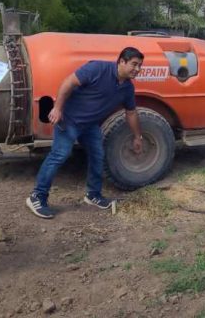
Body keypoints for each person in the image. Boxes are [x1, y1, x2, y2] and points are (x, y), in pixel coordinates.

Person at [26, 47, 144, 219]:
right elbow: (68, 83)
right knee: (60, 154)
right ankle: (37, 196)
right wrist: (57, 108)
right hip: (69, 120)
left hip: (90, 125)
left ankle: (93, 195)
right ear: (121, 61)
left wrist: (137, 136)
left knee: (98, 154)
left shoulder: (127, 88)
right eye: (134, 64)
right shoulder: (97, 69)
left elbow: (131, 113)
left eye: (140, 65)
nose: (137, 69)